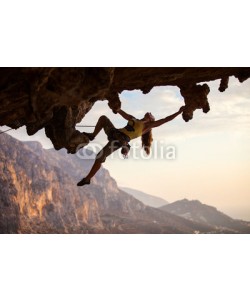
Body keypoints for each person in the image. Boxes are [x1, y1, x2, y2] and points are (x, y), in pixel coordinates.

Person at [77, 106, 185, 186]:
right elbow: (122, 113)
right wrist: (116, 107)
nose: (150, 112)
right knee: (103, 118)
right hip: (115, 133)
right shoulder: (134, 119)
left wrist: (179, 112)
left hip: (120, 141)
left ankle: (88, 179)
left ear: (151, 120)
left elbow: (166, 120)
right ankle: (92, 135)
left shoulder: (147, 126)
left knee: (100, 156)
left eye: (152, 115)